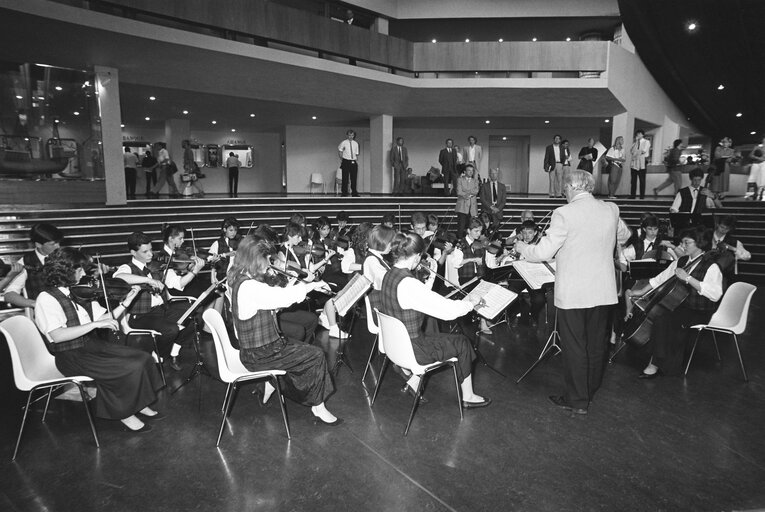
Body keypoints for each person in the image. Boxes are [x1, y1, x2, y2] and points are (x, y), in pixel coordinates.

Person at [515, 170, 631, 415]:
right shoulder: (610, 209)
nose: (564, 193)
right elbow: (625, 234)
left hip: (574, 293)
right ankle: (589, 389)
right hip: (604, 291)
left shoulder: (563, 213)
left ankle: (577, 399)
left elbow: (543, 252)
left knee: (575, 346)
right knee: (597, 345)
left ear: (572, 187)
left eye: (565, 189)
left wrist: (522, 246)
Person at [35, 247, 163, 432]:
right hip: (70, 355)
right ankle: (124, 413)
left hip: (90, 345)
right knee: (126, 367)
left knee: (142, 358)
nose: (84, 273)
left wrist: (127, 301)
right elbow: (57, 336)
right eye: (79, 269)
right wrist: (93, 326)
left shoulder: (78, 292)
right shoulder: (46, 299)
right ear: (65, 272)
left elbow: (104, 319)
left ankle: (139, 403)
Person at [227, 236, 340, 425]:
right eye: (267, 260)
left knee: (301, 347)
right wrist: (312, 285)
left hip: (257, 348)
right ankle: (318, 407)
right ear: (255, 259)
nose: (269, 265)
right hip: (261, 354)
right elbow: (283, 297)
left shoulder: (239, 278)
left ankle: (272, 383)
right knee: (316, 355)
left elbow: (265, 304)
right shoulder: (250, 287)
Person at [379, 232, 490, 407]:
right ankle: (468, 396)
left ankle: (413, 382)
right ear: (416, 257)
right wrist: (471, 303)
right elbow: (448, 312)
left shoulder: (389, 274)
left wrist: (431, 276)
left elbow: (419, 297)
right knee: (462, 342)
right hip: (413, 349)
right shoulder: (410, 284)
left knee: (432, 331)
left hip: (394, 345)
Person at [626, 226, 723, 378]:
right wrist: (640, 292)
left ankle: (655, 364)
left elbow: (715, 294)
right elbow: (660, 279)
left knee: (663, 320)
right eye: (682, 243)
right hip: (681, 306)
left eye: (686, 243)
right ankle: (658, 358)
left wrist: (689, 279)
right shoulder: (682, 261)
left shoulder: (711, 266)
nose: (682, 246)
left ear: (700, 243)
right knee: (660, 315)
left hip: (700, 310)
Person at [113, 230, 204, 371]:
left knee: (195, 318)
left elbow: (177, 283)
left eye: (151, 250)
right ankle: (159, 356)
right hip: (141, 315)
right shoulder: (127, 268)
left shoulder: (156, 265)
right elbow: (119, 278)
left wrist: (194, 270)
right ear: (133, 252)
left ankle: (173, 352)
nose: (150, 254)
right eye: (145, 252)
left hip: (162, 310)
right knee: (171, 330)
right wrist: (148, 280)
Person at [3, 223, 64, 310]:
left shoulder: (65, 256)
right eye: (53, 244)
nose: (58, 247)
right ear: (38, 244)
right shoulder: (25, 263)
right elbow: (9, 295)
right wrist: (35, 304)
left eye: (58, 243)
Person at [363, 224, 396, 311]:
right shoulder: (372, 260)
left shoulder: (377, 256)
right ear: (382, 242)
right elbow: (386, 281)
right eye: (390, 243)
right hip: (379, 305)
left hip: (383, 301)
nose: (392, 247)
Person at [710, 215, 751, 280]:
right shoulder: (706, 236)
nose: (723, 230)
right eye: (722, 227)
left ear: (730, 229)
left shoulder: (734, 241)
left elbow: (747, 256)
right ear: (717, 224)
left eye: (727, 229)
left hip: (724, 276)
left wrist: (731, 248)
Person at [455, 163, 480, 237]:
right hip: (462, 207)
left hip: (472, 208)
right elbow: (459, 191)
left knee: (471, 227)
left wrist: (465, 192)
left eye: (472, 171)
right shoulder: (460, 180)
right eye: (469, 170)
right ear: (465, 172)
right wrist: (469, 193)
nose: (471, 172)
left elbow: (476, 191)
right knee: (461, 227)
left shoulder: (475, 181)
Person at [629, 130, 651, 199]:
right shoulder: (635, 143)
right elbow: (632, 151)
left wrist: (636, 153)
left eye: (639, 134)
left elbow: (643, 151)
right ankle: (633, 195)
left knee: (642, 180)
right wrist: (636, 142)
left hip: (642, 161)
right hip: (634, 162)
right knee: (633, 180)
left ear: (642, 134)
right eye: (637, 134)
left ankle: (642, 196)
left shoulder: (646, 142)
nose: (638, 135)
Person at [338, 129, 359, 197]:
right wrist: (342, 159)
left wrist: (354, 161)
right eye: (349, 135)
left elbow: (356, 154)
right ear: (347, 135)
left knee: (354, 178)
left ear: (354, 136)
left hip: (353, 161)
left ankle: (354, 192)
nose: (351, 136)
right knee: (345, 178)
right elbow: (340, 151)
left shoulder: (356, 143)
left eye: (352, 135)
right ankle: (344, 193)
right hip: (346, 161)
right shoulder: (344, 142)